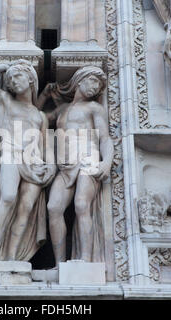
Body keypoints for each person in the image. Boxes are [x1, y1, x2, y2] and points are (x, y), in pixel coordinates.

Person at [0, 60, 55, 265]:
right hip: (10, 152)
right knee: (8, 196)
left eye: (17, 76)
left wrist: (51, 164)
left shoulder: (40, 115)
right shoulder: (5, 100)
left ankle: (11, 257)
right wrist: (2, 67)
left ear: (31, 79)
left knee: (26, 208)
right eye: (9, 79)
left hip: (34, 161)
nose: (12, 81)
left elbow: (46, 144)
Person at [38, 66, 114, 267]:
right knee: (53, 207)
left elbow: (105, 138)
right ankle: (59, 263)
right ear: (79, 81)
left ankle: (85, 260)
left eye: (98, 85)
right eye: (92, 81)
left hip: (87, 159)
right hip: (65, 166)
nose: (95, 87)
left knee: (81, 205)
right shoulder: (62, 110)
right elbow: (37, 117)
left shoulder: (94, 108)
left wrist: (106, 162)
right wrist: (45, 95)